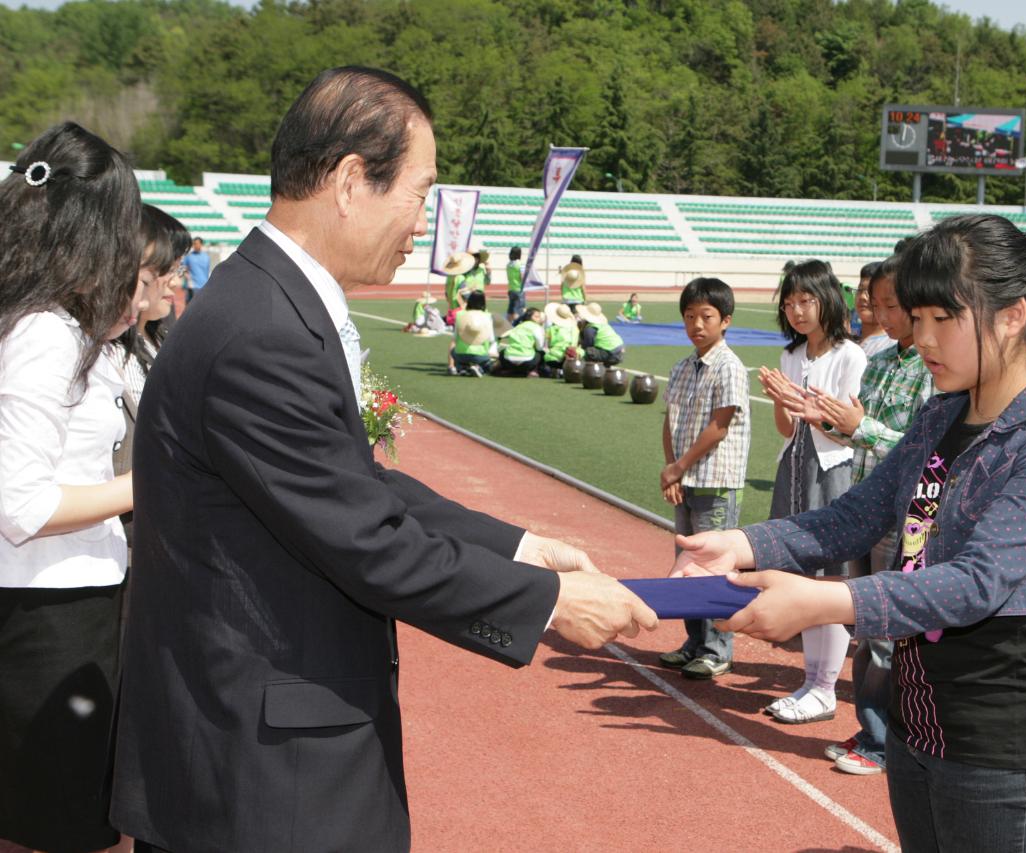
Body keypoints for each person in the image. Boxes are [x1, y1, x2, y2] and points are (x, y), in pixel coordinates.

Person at [108, 67, 657, 853]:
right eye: (420, 193)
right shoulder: (262, 329)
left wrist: (516, 545)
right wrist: (549, 601)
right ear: (349, 180)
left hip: (258, 754)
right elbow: (366, 538)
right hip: (260, 785)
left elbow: (350, 484)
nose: (424, 224)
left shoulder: (268, 301)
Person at [671, 214, 1026, 851]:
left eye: (941, 319)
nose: (921, 338)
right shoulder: (941, 415)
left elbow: (976, 584)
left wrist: (826, 602)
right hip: (916, 723)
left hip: (998, 745)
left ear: (1012, 315)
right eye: (915, 318)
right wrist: (744, 543)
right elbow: (857, 515)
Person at [0, 122, 145, 853]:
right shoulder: (44, 332)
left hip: (51, 607)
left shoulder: (37, 322)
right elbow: (23, 506)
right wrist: (144, 486)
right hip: (54, 614)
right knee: (62, 828)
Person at [803, 255, 936, 775]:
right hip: (868, 507)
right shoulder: (876, 360)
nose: (877, 312)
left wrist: (861, 428)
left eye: (891, 304)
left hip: (912, 518)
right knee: (868, 629)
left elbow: (927, 453)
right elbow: (856, 434)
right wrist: (827, 421)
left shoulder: (932, 367)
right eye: (874, 302)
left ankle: (884, 743)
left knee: (887, 635)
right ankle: (874, 731)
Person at [756, 259, 866, 724]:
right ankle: (810, 680)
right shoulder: (791, 355)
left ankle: (825, 686)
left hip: (832, 471)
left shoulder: (850, 356)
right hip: (795, 466)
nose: (798, 311)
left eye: (806, 300)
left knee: (832, 577)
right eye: (790, 302)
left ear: (827, 300)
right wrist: (784, 403)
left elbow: (847, 432)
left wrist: (807, 406)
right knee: (801, 576)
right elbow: (785, 428)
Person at [657, 277, 751, 680]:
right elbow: (670, 421)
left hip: (715, 481)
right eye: (690, 316)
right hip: (685, 480)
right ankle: (694, 641)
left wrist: (680, 467)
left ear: (725, 320)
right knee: (687, 563)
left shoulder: (729, 367)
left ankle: (718, 648)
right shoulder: (682, 367)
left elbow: (719, 426)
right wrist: (672, 469)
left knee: (714, 567)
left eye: (706, 316)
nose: (697, 324)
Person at [111, 206, 191, 546]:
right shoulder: (108, 351)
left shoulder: (159, 340)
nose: (176, 282)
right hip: (125, 536)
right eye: (167, 270)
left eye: (177, 269)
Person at [448, 291, 495, 377]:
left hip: (460, 353)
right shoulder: (487, 316)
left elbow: (455, 337)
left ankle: (462, 367)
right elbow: (491, 339)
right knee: (490, 363)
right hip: (480, 355)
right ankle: (479, 368)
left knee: (453, 351)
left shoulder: (460, 315)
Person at [853, 267, 893, 358]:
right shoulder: (848, 343)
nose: (863, 297)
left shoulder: (890, 347)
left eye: (870, 292)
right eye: (860, 290)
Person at [493, 307, 545, 377]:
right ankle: (533, 371)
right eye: (537, 317)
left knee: (503, 352)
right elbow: (539, 347)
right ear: (529, 317)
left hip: (509, 361)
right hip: (527, 362)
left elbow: (502, 336)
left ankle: (507, 370)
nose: (539, 319)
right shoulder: (536, 327)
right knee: (540, 353)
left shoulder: (518, 326)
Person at [540, 303, 579, 378]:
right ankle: (564, 370)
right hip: (571, 356)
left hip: (554, 356)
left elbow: (546, 342)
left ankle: (555, 370)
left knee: (544, 354)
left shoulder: (551, 329)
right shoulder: (575, 328)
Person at [180, 236, 210, 306]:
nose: (195, 246)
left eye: (196, 243)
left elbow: (207, 271)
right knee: (189, 307)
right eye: (194, 244)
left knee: (201, 306)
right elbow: (182, 268)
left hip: (203, 286)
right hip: (192, 286)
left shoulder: (206, 257)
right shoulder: (189, 256)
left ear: (201, 244)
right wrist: (186, 276)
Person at [505, 246, 525, 323]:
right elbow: (522, 277)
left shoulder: (508, 265)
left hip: (511, 289)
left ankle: (508, 325)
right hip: (519, 289)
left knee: (511, 309)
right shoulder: (520, 264)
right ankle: (517, 325)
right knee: (519, 310)